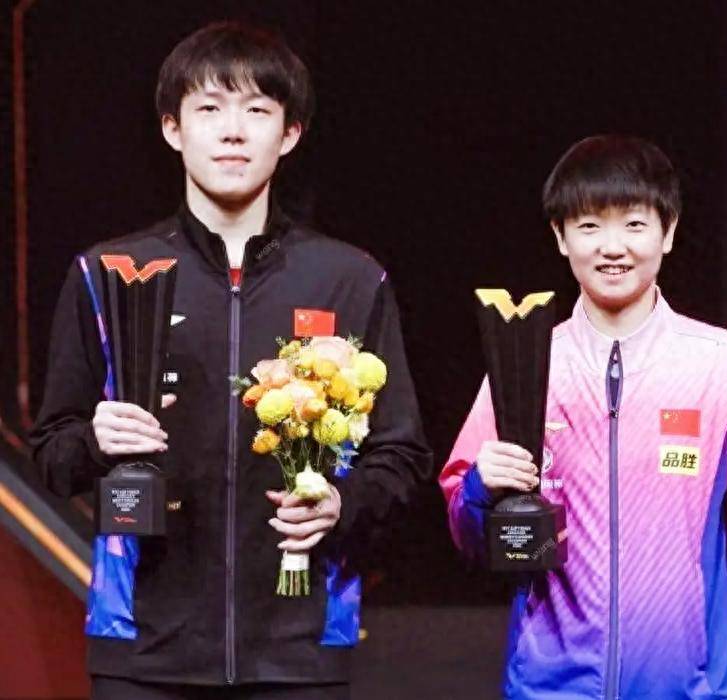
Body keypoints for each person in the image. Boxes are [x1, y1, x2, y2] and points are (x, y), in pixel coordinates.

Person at [30, 21, 432, 699]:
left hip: (300, 652)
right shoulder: (109, 272)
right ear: (173, 128)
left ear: (290, 133)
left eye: (257, 110)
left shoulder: (349, 279)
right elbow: (52, 449)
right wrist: (96, 439)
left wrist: (341, 503)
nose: (234, 132)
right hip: (141, 652)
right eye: (210, 108)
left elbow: (401, 455)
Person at [439, 135, 727, 699]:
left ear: (669, 231)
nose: (613, 247)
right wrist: (478, 488)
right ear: (560, 236)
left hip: (689, 686)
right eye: (589, 226)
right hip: (548, 687)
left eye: (634, 224)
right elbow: (468, 534)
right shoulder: (526, 364)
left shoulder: (721, 366)